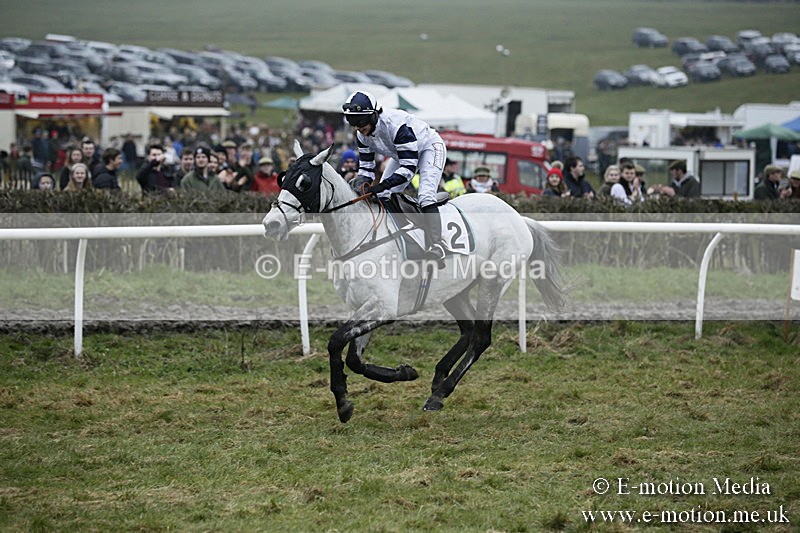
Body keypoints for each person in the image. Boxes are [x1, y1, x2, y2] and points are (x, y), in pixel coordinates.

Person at [342, 90, 447, 264]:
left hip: (429, 148)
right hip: (402, 155)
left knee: (426, 196)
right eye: (352, 122)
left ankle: (438, 245)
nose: (358, 128)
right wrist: (360, 184)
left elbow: (408, 169)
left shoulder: (396, 125)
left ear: (374, 115)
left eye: (360, 121)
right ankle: (401, 236)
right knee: (383, 196)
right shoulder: (362, 136)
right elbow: (366, 170)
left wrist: (380, 185)